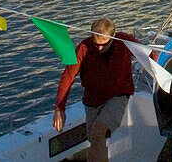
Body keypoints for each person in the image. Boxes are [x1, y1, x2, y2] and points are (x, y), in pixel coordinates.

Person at [53, 18, 139, 162]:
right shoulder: (84, 47)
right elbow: (68, 76)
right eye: (95, 44)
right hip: (92, 101)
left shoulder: (124, 41)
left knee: (98, 131)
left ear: (112, 37)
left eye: (103, 44)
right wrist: (59, 108)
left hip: (118, 95)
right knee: (95, 140)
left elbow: (146, 54)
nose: (99, 48)